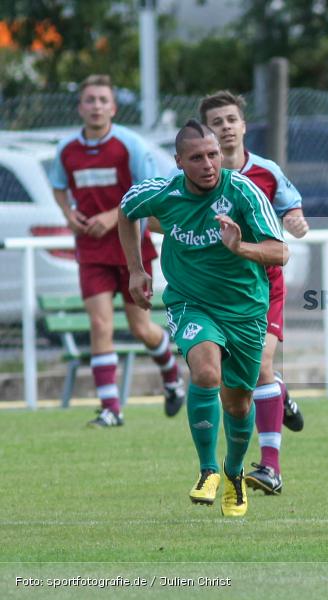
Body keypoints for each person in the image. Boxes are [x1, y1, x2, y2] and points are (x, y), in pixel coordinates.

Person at [118, 120, 288, 516]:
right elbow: (126, 211)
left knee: (239, 404)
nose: (208, 164)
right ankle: (207, 469)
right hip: (190, 302)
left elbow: (280, 252)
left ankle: (233, 473)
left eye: (213, 155)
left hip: (244, 309)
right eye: (196, 158)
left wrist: (240, 247)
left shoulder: (243, 191)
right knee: (206, 372)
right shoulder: (162, 192)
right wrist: (136, 269)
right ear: (179, 161)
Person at [49, 74, 185, 427]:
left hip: (131, 249)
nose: (96, 106)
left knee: (141, 328)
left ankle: (172, 376)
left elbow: (150, 192)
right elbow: (58, 186)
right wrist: (69, 214)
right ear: (80, 107)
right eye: (89, 100)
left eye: (102, 100)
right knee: (99, 324)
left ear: (113, 107)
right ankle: (111, 408)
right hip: (91, 250)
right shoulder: (67, 150)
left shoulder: (130, 145)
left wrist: (113, 217)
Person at [199, 90, 309, 497]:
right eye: (217, 122)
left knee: (260, 367)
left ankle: (271, 468)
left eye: (231, 120)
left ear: (243, 126)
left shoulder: (266, 171)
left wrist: (295, 219)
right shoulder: (198, 178)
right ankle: (280, 394)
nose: (226, 128)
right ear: (205, 133)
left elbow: (291, 207)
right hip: (219, 290)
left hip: (264, 286)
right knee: (241, 381)